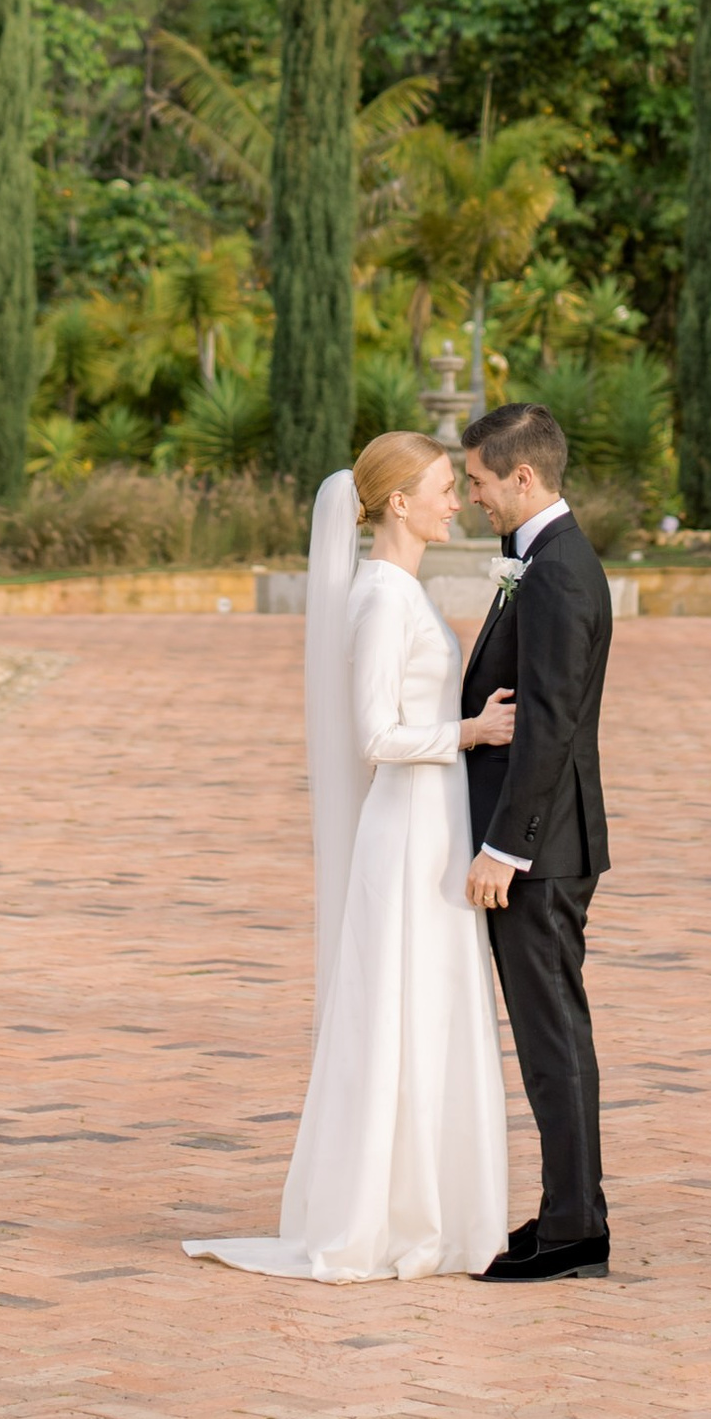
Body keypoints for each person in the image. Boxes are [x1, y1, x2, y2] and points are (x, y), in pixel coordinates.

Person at [184, 432, 515, 1280]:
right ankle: (383, 1213)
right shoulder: (379, 599)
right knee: (398, 1010)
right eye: (444, 488)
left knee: (431, 1008)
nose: (455, 501)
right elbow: (375, 736)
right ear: (398, 503)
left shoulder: (406, 591)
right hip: (404, 833)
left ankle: (433, 1208)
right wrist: (469, 731)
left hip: (434, 826)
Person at [457, 399, 614, 1281]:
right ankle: (572, 1213)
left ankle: (572, 1231)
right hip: (548, 844)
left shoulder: (552, 572)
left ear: (523, 475)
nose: (474, 495)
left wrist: (504, 850)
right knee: (554, 1036)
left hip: (542, 852)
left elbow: (549, 727)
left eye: (479, 480)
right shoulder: (549, 558)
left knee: (552, 1039)